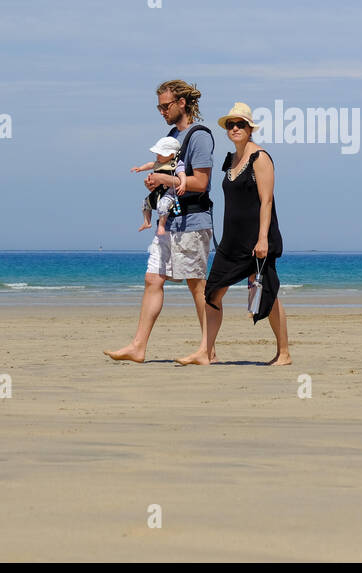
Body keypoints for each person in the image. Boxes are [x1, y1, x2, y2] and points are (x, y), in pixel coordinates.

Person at [106, 81, 215, 362]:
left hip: (193, 221)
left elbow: (201, 183)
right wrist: (155, 184)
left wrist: (165, 179)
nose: (161, 112)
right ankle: (138, 346)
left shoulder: (199, 137)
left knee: (196, 284)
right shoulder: (171, 136)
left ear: (181, 103)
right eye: (159, 107)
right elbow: (167, 175)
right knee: (152, 279)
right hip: (170, 221)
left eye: (165, 106)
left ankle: (208, 349)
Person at [178, 102, 290, 366]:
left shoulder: (259, 157)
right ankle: (206, 352)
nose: (235, 128)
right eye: (231, 125)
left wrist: (263, 239)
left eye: (241, 124)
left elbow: (267, 202)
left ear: (250, 128)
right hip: (231, 241)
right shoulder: (231, 159)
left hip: (256, 240)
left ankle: (284, 353)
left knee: (267, 294)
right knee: (213, 292)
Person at [133, 136, 187, 235]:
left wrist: (183, 184)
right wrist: (140, 168)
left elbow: (182, 175)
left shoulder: (176, 164)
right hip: (158, 191)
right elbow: (150, 164)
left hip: (169, 192)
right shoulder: (158, 163)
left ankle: (162, 226)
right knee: (145, 203)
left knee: (163, 206)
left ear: (171, 154)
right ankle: (147, 222)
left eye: (160, 154)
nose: (157, 157)